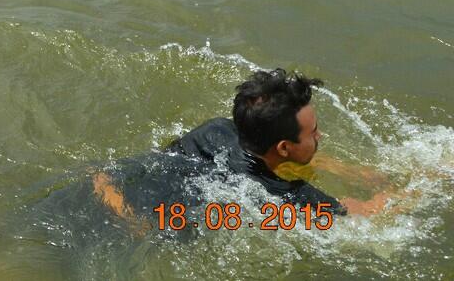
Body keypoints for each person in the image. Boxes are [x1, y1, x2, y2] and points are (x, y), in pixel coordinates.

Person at [91, 68, 397, 228]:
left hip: (103, 187)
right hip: (137, 227)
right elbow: (367, 214)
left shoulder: (214, 130)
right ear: (284, 148)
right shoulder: (286, 195)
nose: (321, 136)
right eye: (314, 133)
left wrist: (348, 169)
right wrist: (429, 183)